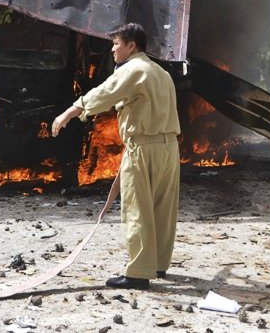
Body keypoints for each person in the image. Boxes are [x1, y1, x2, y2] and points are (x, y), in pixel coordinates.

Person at [51, 23, 181, 289]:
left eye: (116, 44)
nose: (112, 49)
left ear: (131, 45)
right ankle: (157, 265)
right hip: (168, 148)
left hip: (143, 147)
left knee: (137, 208)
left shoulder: (133, 70)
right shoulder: (161, 72)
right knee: (163, 209)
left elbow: (104, 93)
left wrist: (69, 113)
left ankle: (138, 274)